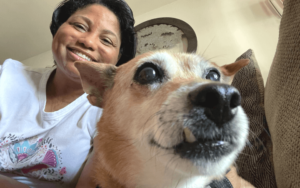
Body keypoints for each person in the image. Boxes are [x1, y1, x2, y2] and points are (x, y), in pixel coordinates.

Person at [0, 0, 136, 187]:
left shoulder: (109, 115)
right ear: (58, 28)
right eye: (80, 26)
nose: (87, 42)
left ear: (118, 58)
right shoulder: (7, 76)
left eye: (106, 40)